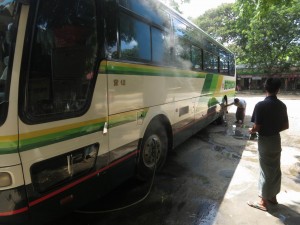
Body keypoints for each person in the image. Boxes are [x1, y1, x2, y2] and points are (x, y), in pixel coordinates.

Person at [247, 78, 289, 212]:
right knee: (275, 169)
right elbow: (285, 126)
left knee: (265, 170)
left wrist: (251, 130)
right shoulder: (282, 105)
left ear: (265, 89)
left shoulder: (260, 105)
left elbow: (257, 127)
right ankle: (273, 198)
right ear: (278, 90)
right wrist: (273, 128)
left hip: (265, 141)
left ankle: (263, 202)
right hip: (276, 140)